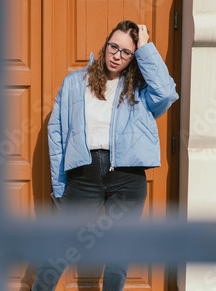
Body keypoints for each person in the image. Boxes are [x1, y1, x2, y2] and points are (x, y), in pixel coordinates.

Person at [31, 20, 179, 291]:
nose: (117, 56)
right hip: (83, 176)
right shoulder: (75, 83)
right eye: (114, 47)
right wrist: (60, 185)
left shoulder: (139, 90)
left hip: (127, 177)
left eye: (126, 52)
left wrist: (146, 49)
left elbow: (167, 93)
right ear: (105, 45)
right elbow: (57, 136)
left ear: (133, 57)